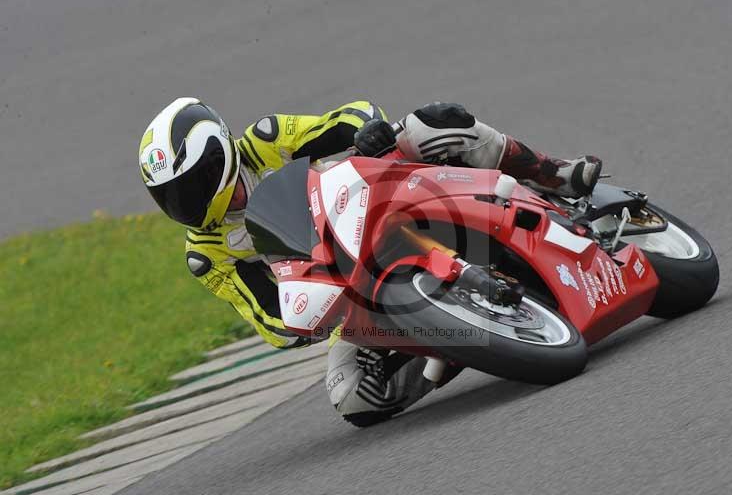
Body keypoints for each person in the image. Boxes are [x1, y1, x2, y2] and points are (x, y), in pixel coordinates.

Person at [138, 98, 601, 426]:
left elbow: (347, 118)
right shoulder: (206, 255)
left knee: (428, 124)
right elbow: (270, 318)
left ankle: (554, 173)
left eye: (192, 184)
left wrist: (366, 131)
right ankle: (458, 340)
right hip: (350, 292)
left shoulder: (265, 140)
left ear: (221, 153)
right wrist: (307, 314)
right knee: (352, 395)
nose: (185, 203)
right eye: (170, 196)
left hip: (374, 204)